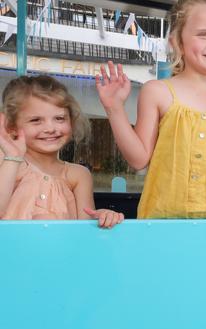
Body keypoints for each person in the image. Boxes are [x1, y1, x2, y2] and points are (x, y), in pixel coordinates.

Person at [95, 0, 206, 219]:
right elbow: (138, 159)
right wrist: (114, 108)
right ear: (177, 42)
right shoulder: (157, 92)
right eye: (203, 35)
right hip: (161, 223)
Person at [0, 75, 123, 228]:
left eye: (59, 118)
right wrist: (12, 157)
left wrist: (102, 216)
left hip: (63, 252)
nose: (51, 129)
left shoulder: (79, 175)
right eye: (36, 120)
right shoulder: (8, 163)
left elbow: (84, 226)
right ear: (11, 126)